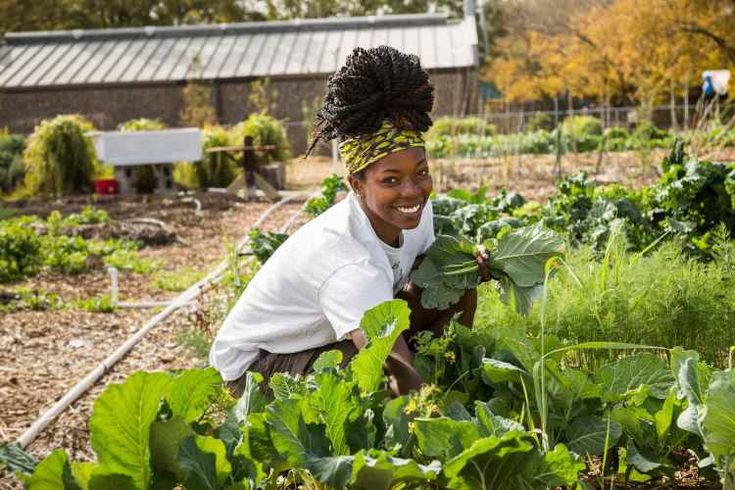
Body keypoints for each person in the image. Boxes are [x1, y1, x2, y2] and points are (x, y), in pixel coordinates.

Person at [209, 46, 490, 397]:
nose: (411, 191)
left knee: (458, 280)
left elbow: (427, 276)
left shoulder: (418, 214)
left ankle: (451, 373)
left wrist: (464, 265)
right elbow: (393, 361)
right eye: (390, 180)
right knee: (369, 381)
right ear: (356, 184)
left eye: (421, 173)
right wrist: (437, 422)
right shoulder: (345, 259)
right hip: (257, 368)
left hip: (324, 336)